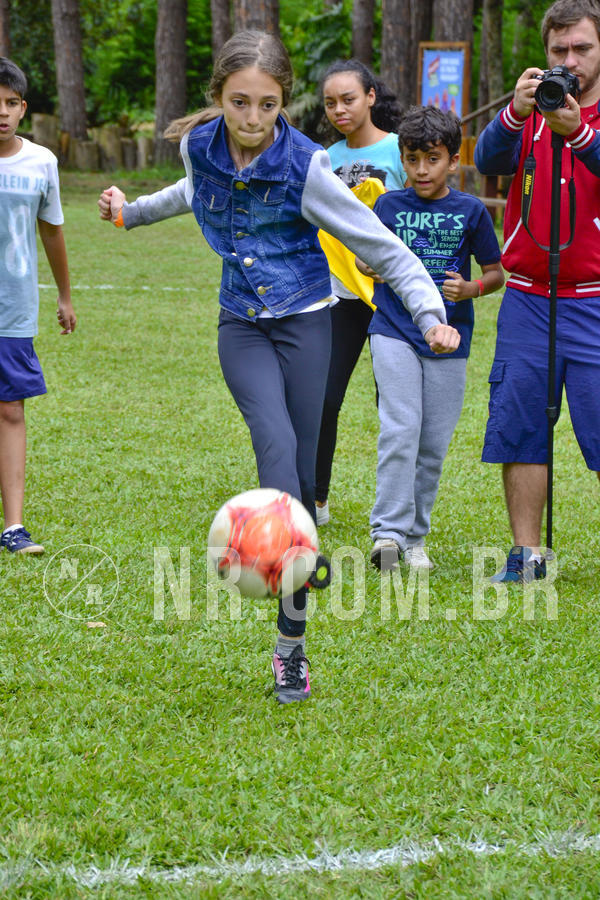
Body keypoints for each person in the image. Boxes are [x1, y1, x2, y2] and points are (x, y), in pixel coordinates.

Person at [99, 32, 459, 704]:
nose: (253, 120)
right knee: (278, 461)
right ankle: (291, 610)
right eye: (240, 103)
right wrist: (131, 214)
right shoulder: (197, 147)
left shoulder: (307, 167)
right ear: (218, 99)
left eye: (267, 105)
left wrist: (429, 311)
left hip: (305, 320)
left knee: (298, 490)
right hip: (241, 324)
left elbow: (380, 246)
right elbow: (190, 192)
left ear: (282, 103)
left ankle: (290, 646)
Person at [475, 0, 600, 582]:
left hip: (596, 297)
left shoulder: (585, 121)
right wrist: (511, 114)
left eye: (582, 49)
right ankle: (526, 556)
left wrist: (579, 137)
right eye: (559, 51)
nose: (569, 62)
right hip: (527, 293)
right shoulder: (530, 109)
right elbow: (484, 159)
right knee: (521, 422)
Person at [357, 106, 504, 571]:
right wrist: (369, 265)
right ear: (402, 158)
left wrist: (472, 289)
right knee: (400, 428)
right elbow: (365, 259)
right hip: (393, 330)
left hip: (450, 339)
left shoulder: (471, 210)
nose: (422, 170)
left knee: (432, 443)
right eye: (413, 159)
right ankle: (387, 535)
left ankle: (415, 538)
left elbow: (496, 272)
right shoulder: (388, 206)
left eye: (433, 159)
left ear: (452, 161)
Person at [315, 59, 406, 527]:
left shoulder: (400, 149)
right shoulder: (325, 159)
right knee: (323, 398)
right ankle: (316, 500)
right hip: (341, 299)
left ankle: (396, 512)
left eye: (348, 99)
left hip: (393, 300)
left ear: (370, 96)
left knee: (393, 408)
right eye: (330, 102)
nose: (339, 110)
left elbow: (420, 212)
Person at [0, 57, 76, 555]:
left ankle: (13, 526)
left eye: (10, 103)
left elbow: (51, 232)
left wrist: (65, 296)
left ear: (23, 108)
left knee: (10, 409)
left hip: (13, 309)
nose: (1, 113)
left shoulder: (41, 162)